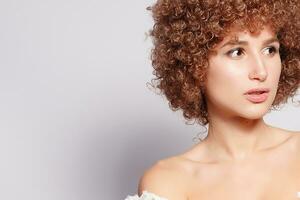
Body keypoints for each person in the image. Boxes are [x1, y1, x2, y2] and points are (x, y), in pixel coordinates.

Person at [125, 0, 300, 199]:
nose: (261, 71)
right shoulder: (168, 182)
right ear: (194, 64)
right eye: (237, 52)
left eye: (270, 50)